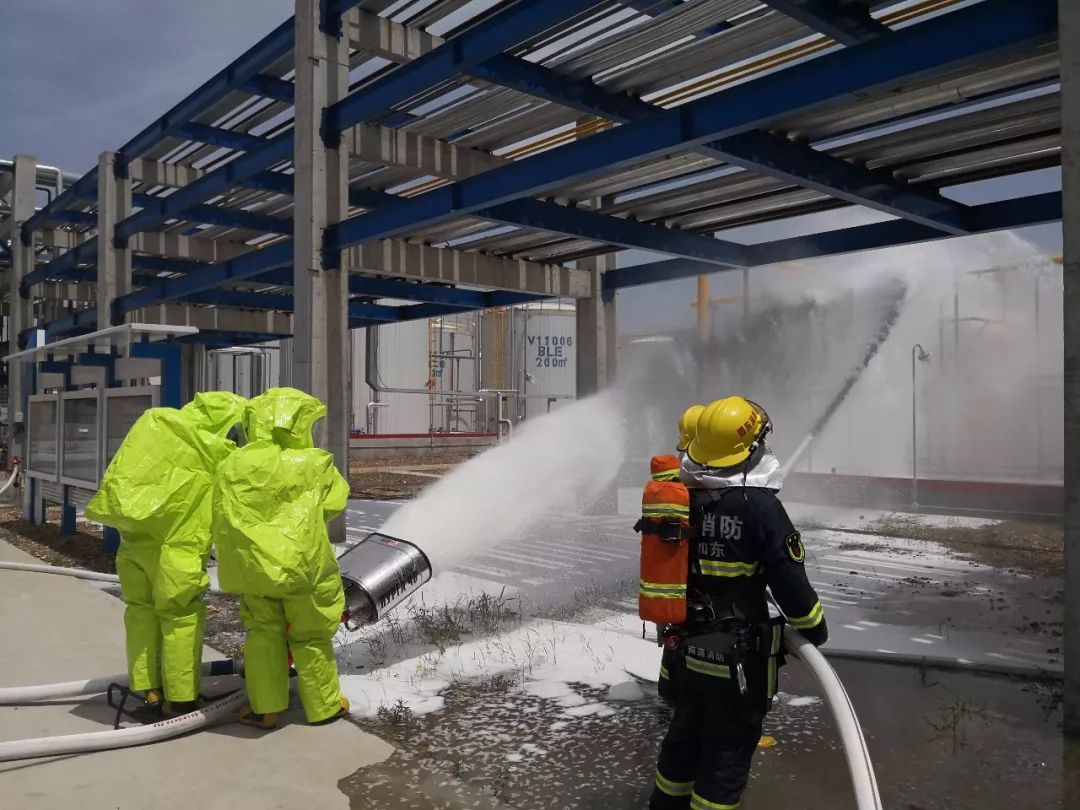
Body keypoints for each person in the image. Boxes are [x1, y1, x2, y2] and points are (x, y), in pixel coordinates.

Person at [650, 396, 828, 810]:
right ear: (750, 448)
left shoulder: (683, 499)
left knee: (683, 742)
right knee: (726, 758)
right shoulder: (760, 508)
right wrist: (814, 628)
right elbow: (790, 582)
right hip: (737, 662)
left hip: (686, 649)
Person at [86, 391, 247, 718]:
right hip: (177, 552)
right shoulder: (214, 453)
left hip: (132, 545)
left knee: (141, 613)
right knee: (180, 619)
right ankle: (181, 698)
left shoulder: (156, 425)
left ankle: (147, 689)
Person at [212, 387, 351, 729]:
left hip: (254, 569)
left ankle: (265, 708)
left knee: (262, 635)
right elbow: (335, 503)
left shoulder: (231, 465)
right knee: (310, 636)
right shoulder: (314, 462)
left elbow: (220, 512)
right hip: (305, 566)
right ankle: (323, 707)